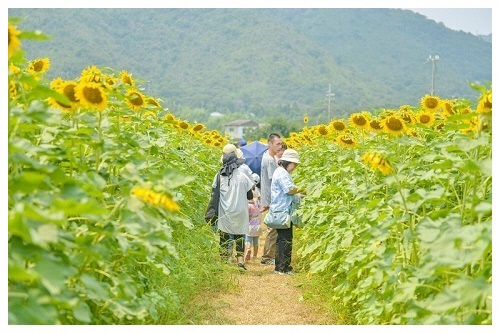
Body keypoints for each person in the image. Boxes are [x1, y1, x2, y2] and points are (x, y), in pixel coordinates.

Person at [214, 144, 255, 270]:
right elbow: (250, 195)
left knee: (224, 236)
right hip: (240, 211)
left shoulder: (218, 176)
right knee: (239, 236)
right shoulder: (243, 177)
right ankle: (240, 262)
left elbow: (214, 194)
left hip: (225, 211)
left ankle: (223, 261)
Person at [269, 149, 302, 275]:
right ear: (288, 162)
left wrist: (298, 194)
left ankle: (280, 266)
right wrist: (302, 189)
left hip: (281, 209)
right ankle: (283, 267)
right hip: (283, 210)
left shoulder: (281, 172)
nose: (295, 167)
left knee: (282, 239)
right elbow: (288, 189)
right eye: (294, 164)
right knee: (286, 239)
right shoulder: (282, 173)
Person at [259, 133, 283, 266]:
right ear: (270, 144)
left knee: (274, 227)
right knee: (272, 228)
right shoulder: (269, 160)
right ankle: (267, 257)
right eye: (277, 144)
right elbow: (275, 179)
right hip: (273, 197)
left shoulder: (270, 157)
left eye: (281, 143)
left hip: (271, 197)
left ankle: (270, 255)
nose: (280, 146)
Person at [245, 174, 262, 261]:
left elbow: (246, 216)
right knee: (256, 241)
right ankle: (255, 255)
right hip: (257, 225)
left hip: (250, 225)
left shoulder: (248, 205)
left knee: (248, 240)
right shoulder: (258, 203)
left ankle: (248, 249)